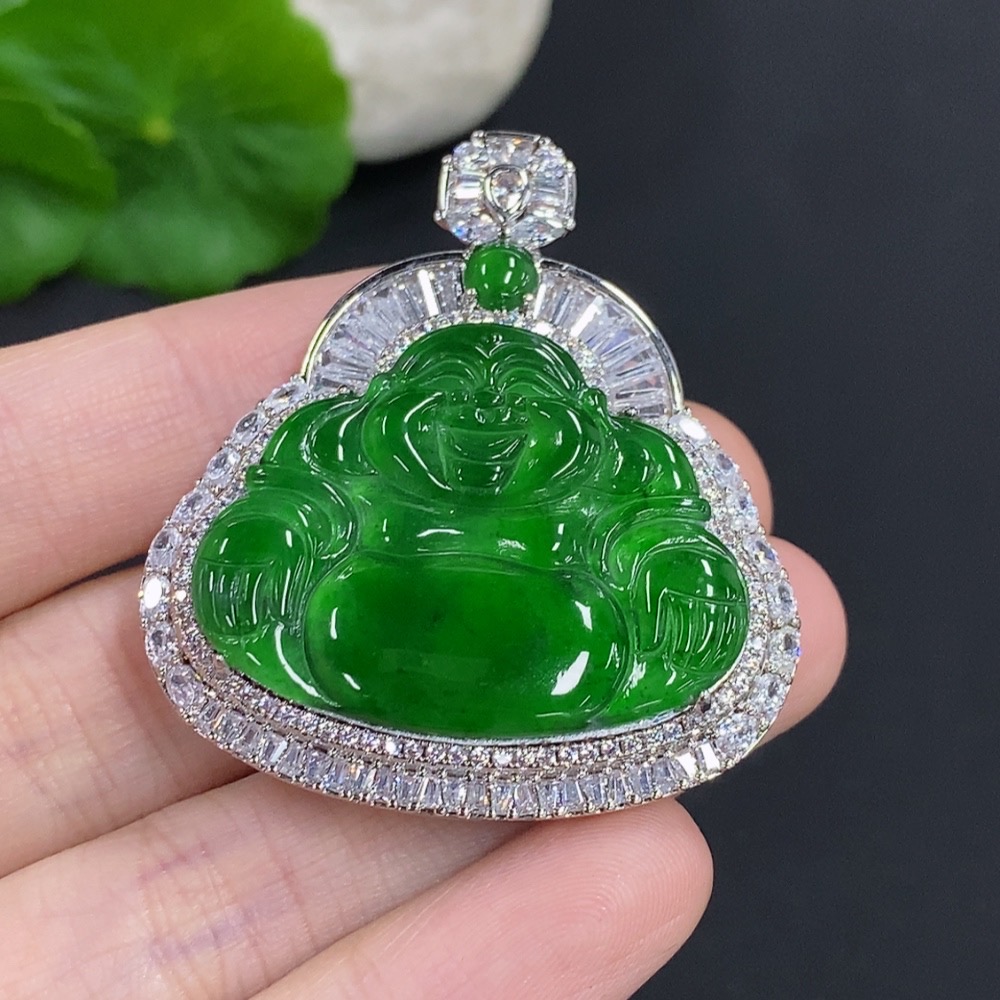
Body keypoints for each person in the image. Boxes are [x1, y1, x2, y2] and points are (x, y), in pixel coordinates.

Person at [0, 270, 846, 999]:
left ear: (588, 415)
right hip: (353, 642)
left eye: (526, 398)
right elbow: (287, 505)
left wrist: (688, 574)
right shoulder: (336, 449)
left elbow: (663, 535)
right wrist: (257, 542)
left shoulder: (628, 466)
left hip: (574, 655)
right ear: (385, 405)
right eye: (447, 393)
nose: (486, 416)